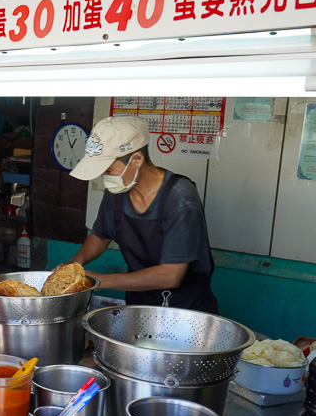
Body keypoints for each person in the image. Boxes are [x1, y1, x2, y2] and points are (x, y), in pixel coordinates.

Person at [60, 115, 219, 314]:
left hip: (184, 311)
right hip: (138, 304)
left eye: (108, 170)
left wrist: (99, 280)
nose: (104, 178)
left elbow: (170, 275)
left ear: (137, 158)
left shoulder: (180, 198)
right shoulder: (118, 190)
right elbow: (101, 236)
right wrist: (73, 266)